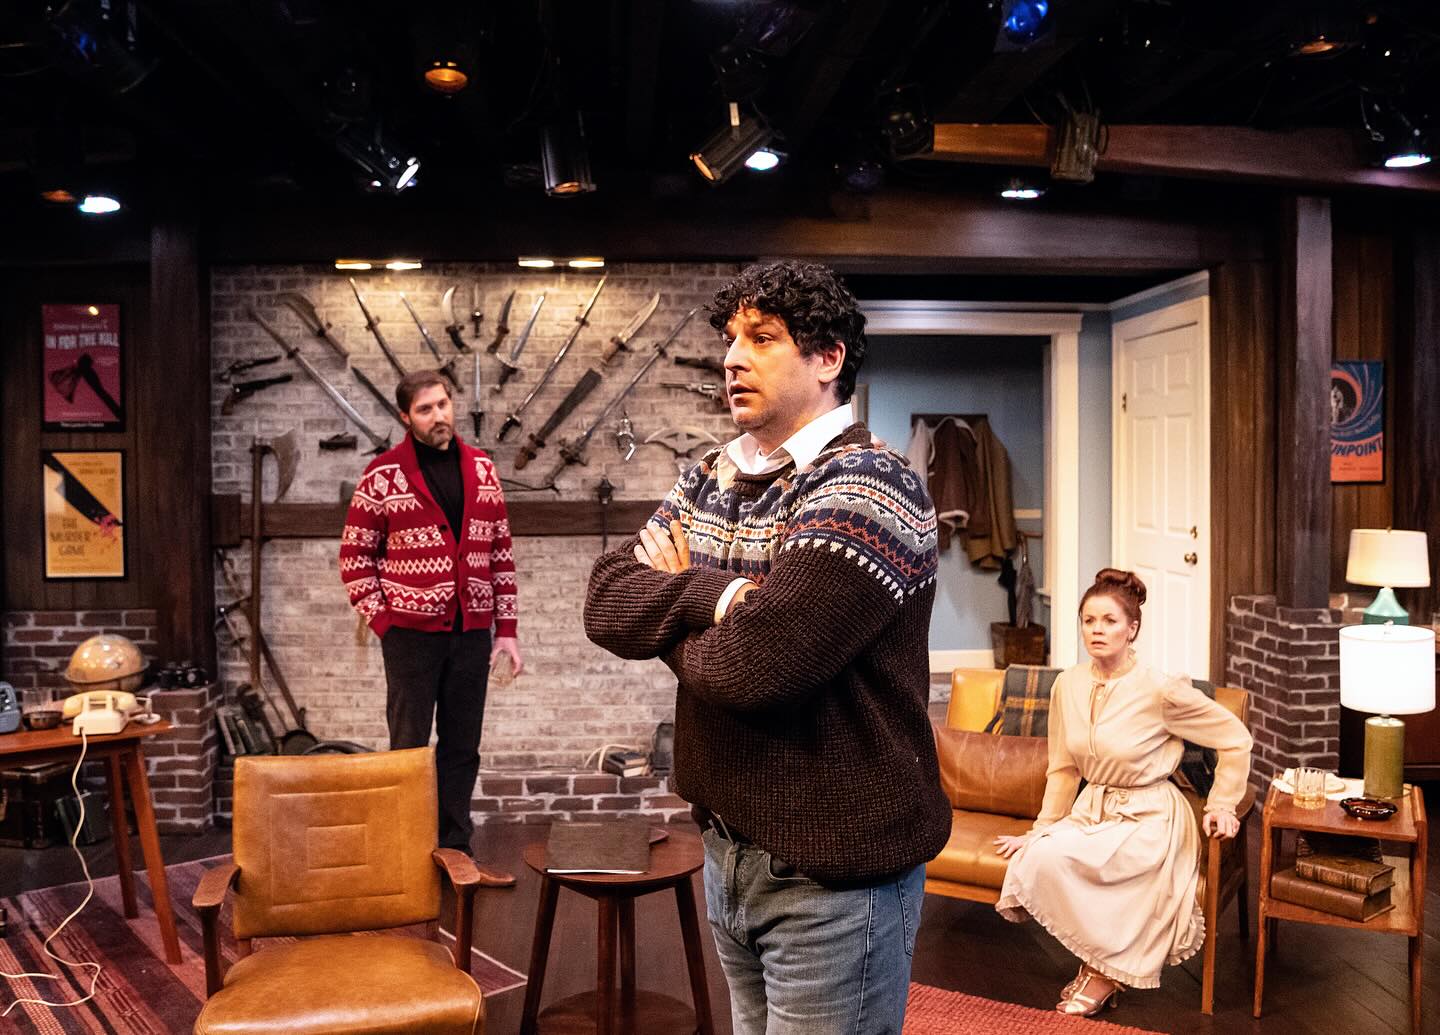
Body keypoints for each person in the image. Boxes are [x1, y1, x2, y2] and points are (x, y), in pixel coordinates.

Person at [584, 260, 950, 1035]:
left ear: (828, 358)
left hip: (834, 875)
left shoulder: (869, 486)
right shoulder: (710, 476)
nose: (732, 357)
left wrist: (676, 604)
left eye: (762, 337)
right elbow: (605, 600)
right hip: (728, 851)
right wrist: (714, 596)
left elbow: (755, 667)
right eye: (730, 338)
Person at [993, 568, 1252, 1016]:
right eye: (1089, 620)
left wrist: (1223, 803)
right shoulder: (1068, 685)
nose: (1097, 630)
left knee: (1117, 867)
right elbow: (1064, 769)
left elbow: (1235, 739)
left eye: (1109, 621)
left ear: (1132, 629)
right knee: (1039, 857)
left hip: (1150, 818)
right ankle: (1099, 964)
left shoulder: (1162, 690)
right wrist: (1042, 829)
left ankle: (1101, 974)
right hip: (1092, 810)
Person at [339, 369, 523, 870]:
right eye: (425, 409)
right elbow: (355, 558)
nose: (438, 415)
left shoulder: (482, 470)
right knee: (409, 747)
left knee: (462, 747)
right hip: (410, 638)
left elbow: (500, 556)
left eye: (443, 404)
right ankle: (405, 853)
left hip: (472, 634)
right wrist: (384, 623)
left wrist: (506, 631)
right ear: (406, 416)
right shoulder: (382, 476)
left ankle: (455, 850)